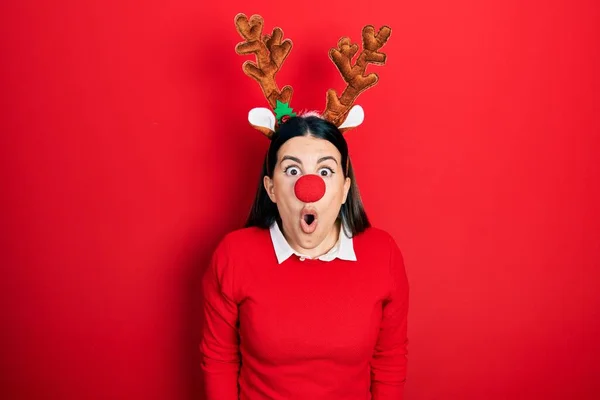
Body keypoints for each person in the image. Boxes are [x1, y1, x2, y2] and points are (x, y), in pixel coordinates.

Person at [199, 13, 409, 400]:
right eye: (291, 169)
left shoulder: (384, 255)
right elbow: (219, 359)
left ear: (345, 189)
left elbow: (390, 361)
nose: (308, 186)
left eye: (325, 171)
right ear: (272, 188)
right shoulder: (234, 255)